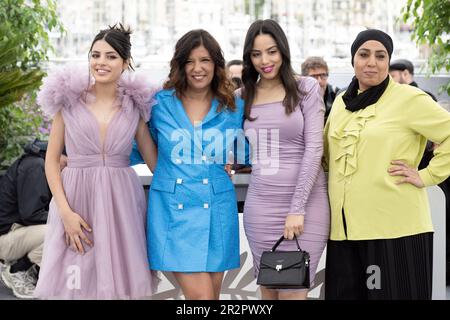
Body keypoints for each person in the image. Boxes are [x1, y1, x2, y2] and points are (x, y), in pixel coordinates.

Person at [33, 24, 158, 299]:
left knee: (120, 284)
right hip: (76, 199)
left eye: (111, 56)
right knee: (74, 281)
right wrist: (65, 213)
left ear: (125, 63)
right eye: (95, 55)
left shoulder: (134, 107)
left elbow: (155, 165)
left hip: (122, 203)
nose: (101, 62)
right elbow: (51, 161)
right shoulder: (68, 102)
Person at [324, 29, 450, 300]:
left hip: (395, 231)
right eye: (364, 54)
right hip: (344, 232)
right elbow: (325, 156)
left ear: (388, 61)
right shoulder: (340, 104)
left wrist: (427, 175)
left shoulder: (408, 99)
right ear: (353, 60)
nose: (372, 62)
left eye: (381, 56)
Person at [132, 29, 244, 300]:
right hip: (174, 211)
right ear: (180, 65)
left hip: (217, 209)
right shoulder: (158, 103)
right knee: (203, 300)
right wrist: (70, 154)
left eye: (205, 60)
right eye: (190, 61)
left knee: (211, 299)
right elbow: (124, 141)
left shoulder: (232, 105)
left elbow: (253, 145)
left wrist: (239, 164)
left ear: (216, 64)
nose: (197, 68)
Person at [239, 19, 330, 300]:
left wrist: (297, 209)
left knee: (293, 291)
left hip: (305, 206)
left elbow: (314, 148)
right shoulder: (243, 96)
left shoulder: (306, 88)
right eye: (256, 54)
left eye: (271, 51)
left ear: (283, 51)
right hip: (260, 207)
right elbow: (224, 142)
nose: (264, 61)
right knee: (268, 294)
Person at [0, 140, 66, 299]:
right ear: (60, 154)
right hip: (5, 239)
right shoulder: (35, 167)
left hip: (17, 234)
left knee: (62, 226)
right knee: (60, 229)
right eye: (68, 162)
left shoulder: (41, 164)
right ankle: (17, 270)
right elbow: (32, 215)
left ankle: (28, 268)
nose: (68, 168)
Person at [301, 56, 340, 121]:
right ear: (304, 78)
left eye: (322, 75)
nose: (319, 81)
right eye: (314, 76)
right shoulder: (298, 97)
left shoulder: (337, 94)